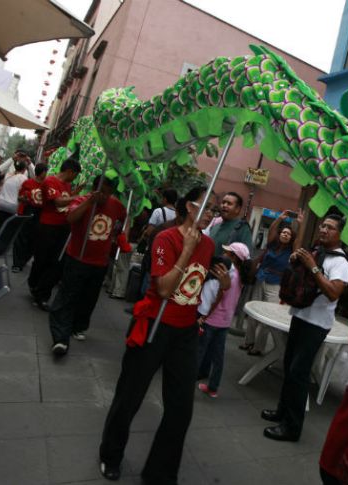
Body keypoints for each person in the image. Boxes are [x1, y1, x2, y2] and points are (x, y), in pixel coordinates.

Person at [98, 186, 230, 485]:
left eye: (215, 209)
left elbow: (196, 289)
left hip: (185, 334)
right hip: (154, 326)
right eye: (207, 207)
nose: (212, 213)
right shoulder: (165, 238)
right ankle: (111, 454)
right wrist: (185, 251)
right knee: (129, 396)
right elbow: (164, 289)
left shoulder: (209, 245)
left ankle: (160, 473)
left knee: (181, 408)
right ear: (189, 207)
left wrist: (221, 286)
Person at [260, 214, 348, 442]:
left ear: (340, 234)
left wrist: (312, 267)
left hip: (317, 325)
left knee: (299, 374)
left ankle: (292, 428)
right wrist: (297, 261)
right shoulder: (316, 252)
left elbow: (333, 293)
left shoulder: (341, 262)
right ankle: (282, 412)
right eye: (323, 226)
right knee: (289, 366)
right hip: (300, 316)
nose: (323, 230)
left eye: (330, 228)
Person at [48, 175, 127, 356]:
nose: (104, 197)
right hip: (77, 258)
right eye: (101, 192)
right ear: (94, 188)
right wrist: (90, 202)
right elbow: (71, 218)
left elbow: (123, 217)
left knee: (89, 298)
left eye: (108, 193)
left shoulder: (116, 205)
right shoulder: (82, 200)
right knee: (68, 296)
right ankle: (60, 338)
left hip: (99, 262)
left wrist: (119, 232)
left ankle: (79, 326)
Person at [240, 209, 303, 356]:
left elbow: (298, 242)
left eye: (288, 233)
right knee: (253, 310)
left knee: (267, 315)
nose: (285, 234)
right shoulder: (271, 245)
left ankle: (258, 347)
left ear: (291, 237)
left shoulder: (291, 252)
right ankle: (248, 341)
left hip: (276, 285)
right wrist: (280, 218)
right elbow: (273, 229)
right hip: (260, 279)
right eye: (283, 232)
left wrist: (299, 225)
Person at [27, 158, 81, 310]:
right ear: (70, 171)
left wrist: (74, 194)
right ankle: (35, 285)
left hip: (63, 227)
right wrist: (77, 197)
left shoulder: (68, 185)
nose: (74, 178)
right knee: (42, 259)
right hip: (48, 226)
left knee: (56, 263)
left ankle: (42, 295)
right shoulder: (50, 181)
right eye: (75, 174)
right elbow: (58, 201)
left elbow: (66, 201)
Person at [197, 242, 249, 398]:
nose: (224, 254)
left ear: (233, 257)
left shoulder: (227, 276)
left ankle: (185, 384)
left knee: (199, 353)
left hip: (212, 320)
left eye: (227, 252)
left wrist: (204, 316)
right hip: (225, 322)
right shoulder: (241, 276)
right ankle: (213, 387)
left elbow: (217, 298)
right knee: (218, 357)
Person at [137, 188, 179, 298]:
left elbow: (150, 231)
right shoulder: (177, 215)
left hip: (155, 247)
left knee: (149, 273)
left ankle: (143, 301)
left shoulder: (158, 211)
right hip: (169, 250)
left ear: (165, 199)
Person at [0, 160, 29, 256]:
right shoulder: (23, 178)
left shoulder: (8, 175)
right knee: (7, 229)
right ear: (24, 169)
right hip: (12, 206)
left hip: (1, 204)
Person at [12, 163, 49, 272]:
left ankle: (23, 261)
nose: (46, 174)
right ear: (41, 172)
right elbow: (20, 197)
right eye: (45, 172)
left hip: (40, 214)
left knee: (34, 239)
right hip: (27, 211)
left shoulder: (47, 185)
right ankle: (17, 263)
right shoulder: (28, 182)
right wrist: (25, 199)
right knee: (21, 238)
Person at [207, 191, 253, 256]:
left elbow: (247, 255)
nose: (224, 205)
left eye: (229, 204)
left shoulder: (242, 228)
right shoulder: (215, 226)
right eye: (223, 202)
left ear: (237, 209)